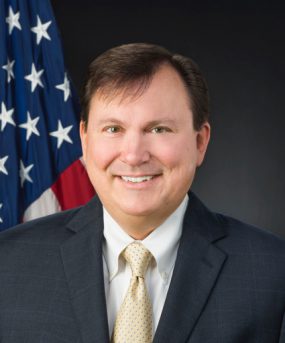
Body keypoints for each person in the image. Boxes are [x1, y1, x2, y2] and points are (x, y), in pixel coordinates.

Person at [0, 43, 284, 343]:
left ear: (200, 142)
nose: (134, 155)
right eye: (113, 129)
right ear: (84, 139)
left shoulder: (274, 274)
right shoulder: (8, 265)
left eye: (158, 129)